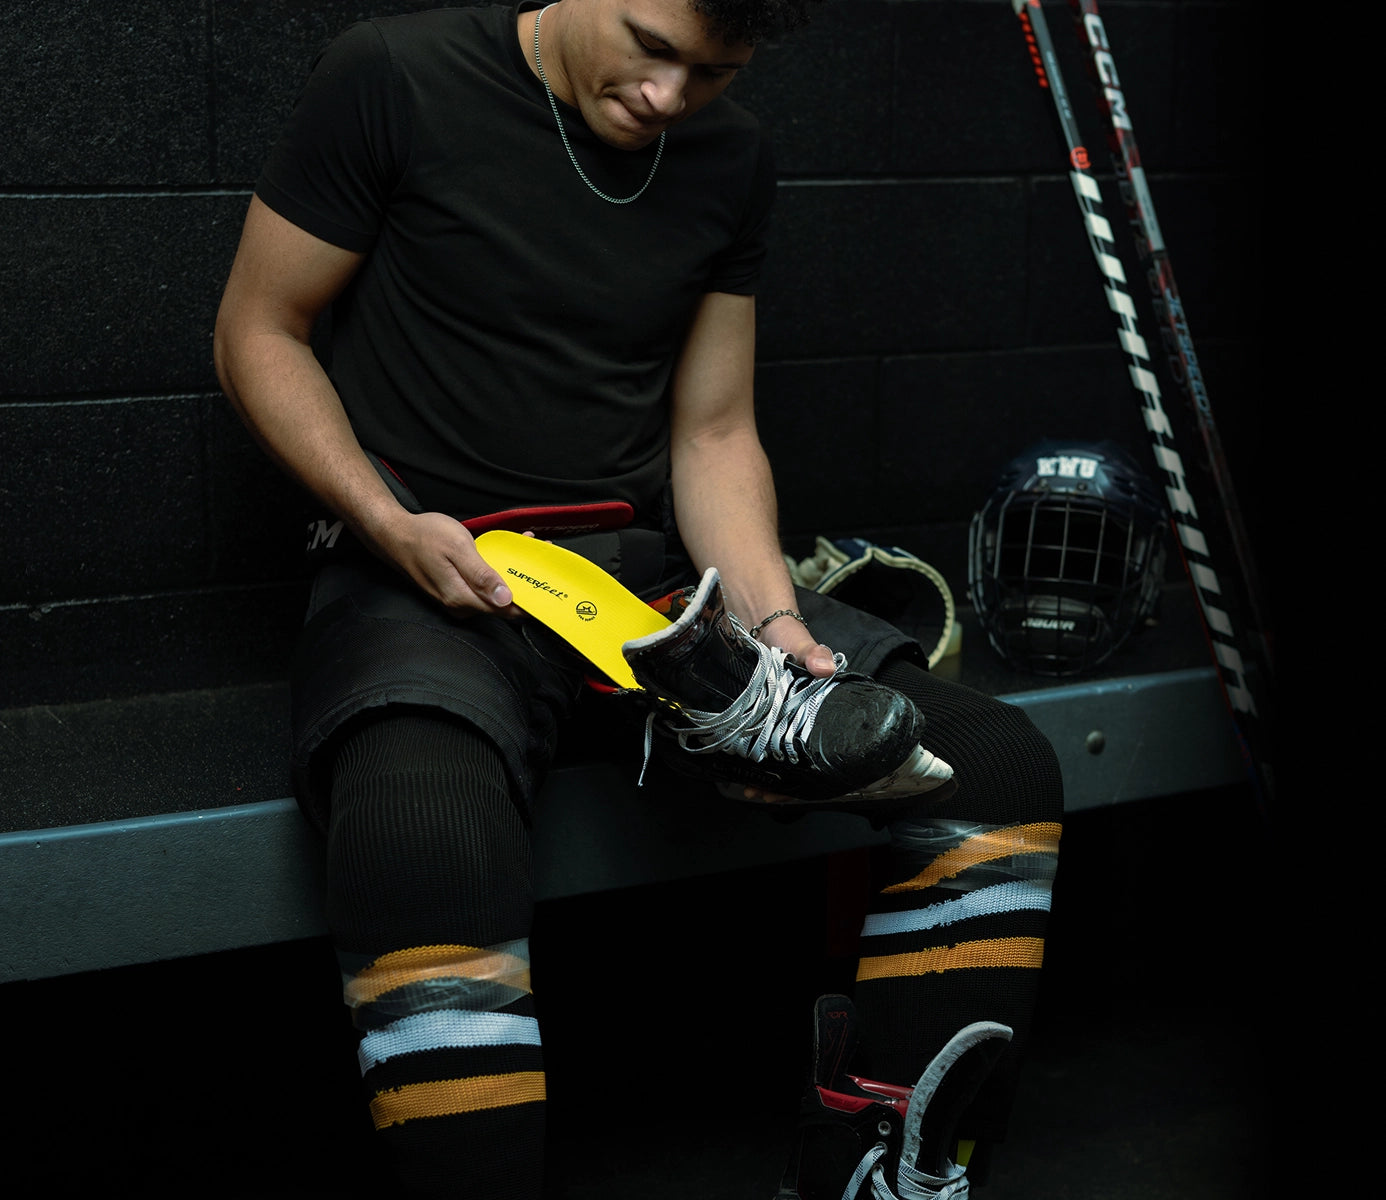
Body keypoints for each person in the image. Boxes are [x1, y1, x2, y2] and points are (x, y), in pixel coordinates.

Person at [213, 2, 1064, 1196]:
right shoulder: (391, 76)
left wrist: (779, 636)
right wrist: (386, 519)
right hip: (426, 565)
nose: (669, 97)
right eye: (650, 47)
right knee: (421, 822)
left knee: (997, 768)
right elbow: (259, 329)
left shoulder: (732, 160)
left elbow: (713, 432)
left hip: (644, 581)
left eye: (712, 72)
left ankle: (868, 1168)